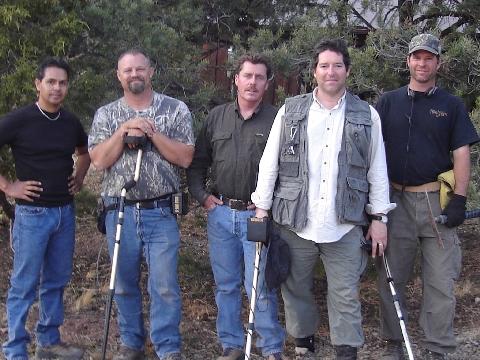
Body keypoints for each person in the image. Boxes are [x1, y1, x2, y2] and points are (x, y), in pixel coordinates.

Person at [251, 39, 395, 360]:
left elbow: (377, 169)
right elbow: (269, 162)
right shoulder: (291, 110)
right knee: (295, 288)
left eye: (338, 65)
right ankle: (304, 344)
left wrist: (380, 218)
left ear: (347, 70)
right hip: (296, 220)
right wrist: (261, 210)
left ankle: (346, 351)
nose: (331, 72)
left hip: (343, 223)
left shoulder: (366, 115)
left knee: (345, 293)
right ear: (315, 71)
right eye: (324, 65)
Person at [375, 34, 479, 360]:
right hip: (396, 202)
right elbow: (371, 151)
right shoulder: (388, 102)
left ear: (438, 63)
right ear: (407, 61)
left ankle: (439, 348)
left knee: (440, 282)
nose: (422, 63)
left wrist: (460, 199)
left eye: (429, 58)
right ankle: (395, 344)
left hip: (437, 202)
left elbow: (462, 152)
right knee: (392, 278)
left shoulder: (451, 105)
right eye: (417, 57)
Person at [88, 48, 194, 360]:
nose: (134, 74)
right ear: (119, 76)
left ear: (151, 72)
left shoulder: (175, 109)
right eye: (128, 70)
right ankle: (131, 344)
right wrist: (123, 130)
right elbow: (98, 161)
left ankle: (167, 347)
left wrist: (152, 131)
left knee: (164, 286)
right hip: (118, 211)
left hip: (160, 212)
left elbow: (185, 157)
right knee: (122, 285)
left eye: (140, 69)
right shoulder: (107, 115)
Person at [187, 54, 287, 360]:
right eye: (247, 76)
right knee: (226, 285)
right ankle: (230, 344)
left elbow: (288, 168)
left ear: (267, 82)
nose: (253, 82)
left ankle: (270, 347)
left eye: (259, 77)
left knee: (258, 285)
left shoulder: (277, 119)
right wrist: (201, 195)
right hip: (220, 215)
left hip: (257, 216)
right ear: (236, 79)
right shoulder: (217, 117)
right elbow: (197, 162)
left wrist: (270, 208)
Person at [0, 57, 90, 360]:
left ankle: (49, 342)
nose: (57, 87)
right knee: (24, 284)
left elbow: (84, 152)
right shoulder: (20, 119)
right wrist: (8, 186)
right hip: (32, 215)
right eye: (51, 81)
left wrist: (78, 177)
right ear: (38, 84)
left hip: (64, 213)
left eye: (62, 82)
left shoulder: (70, 121)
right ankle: (15, 350)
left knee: (56, 280)